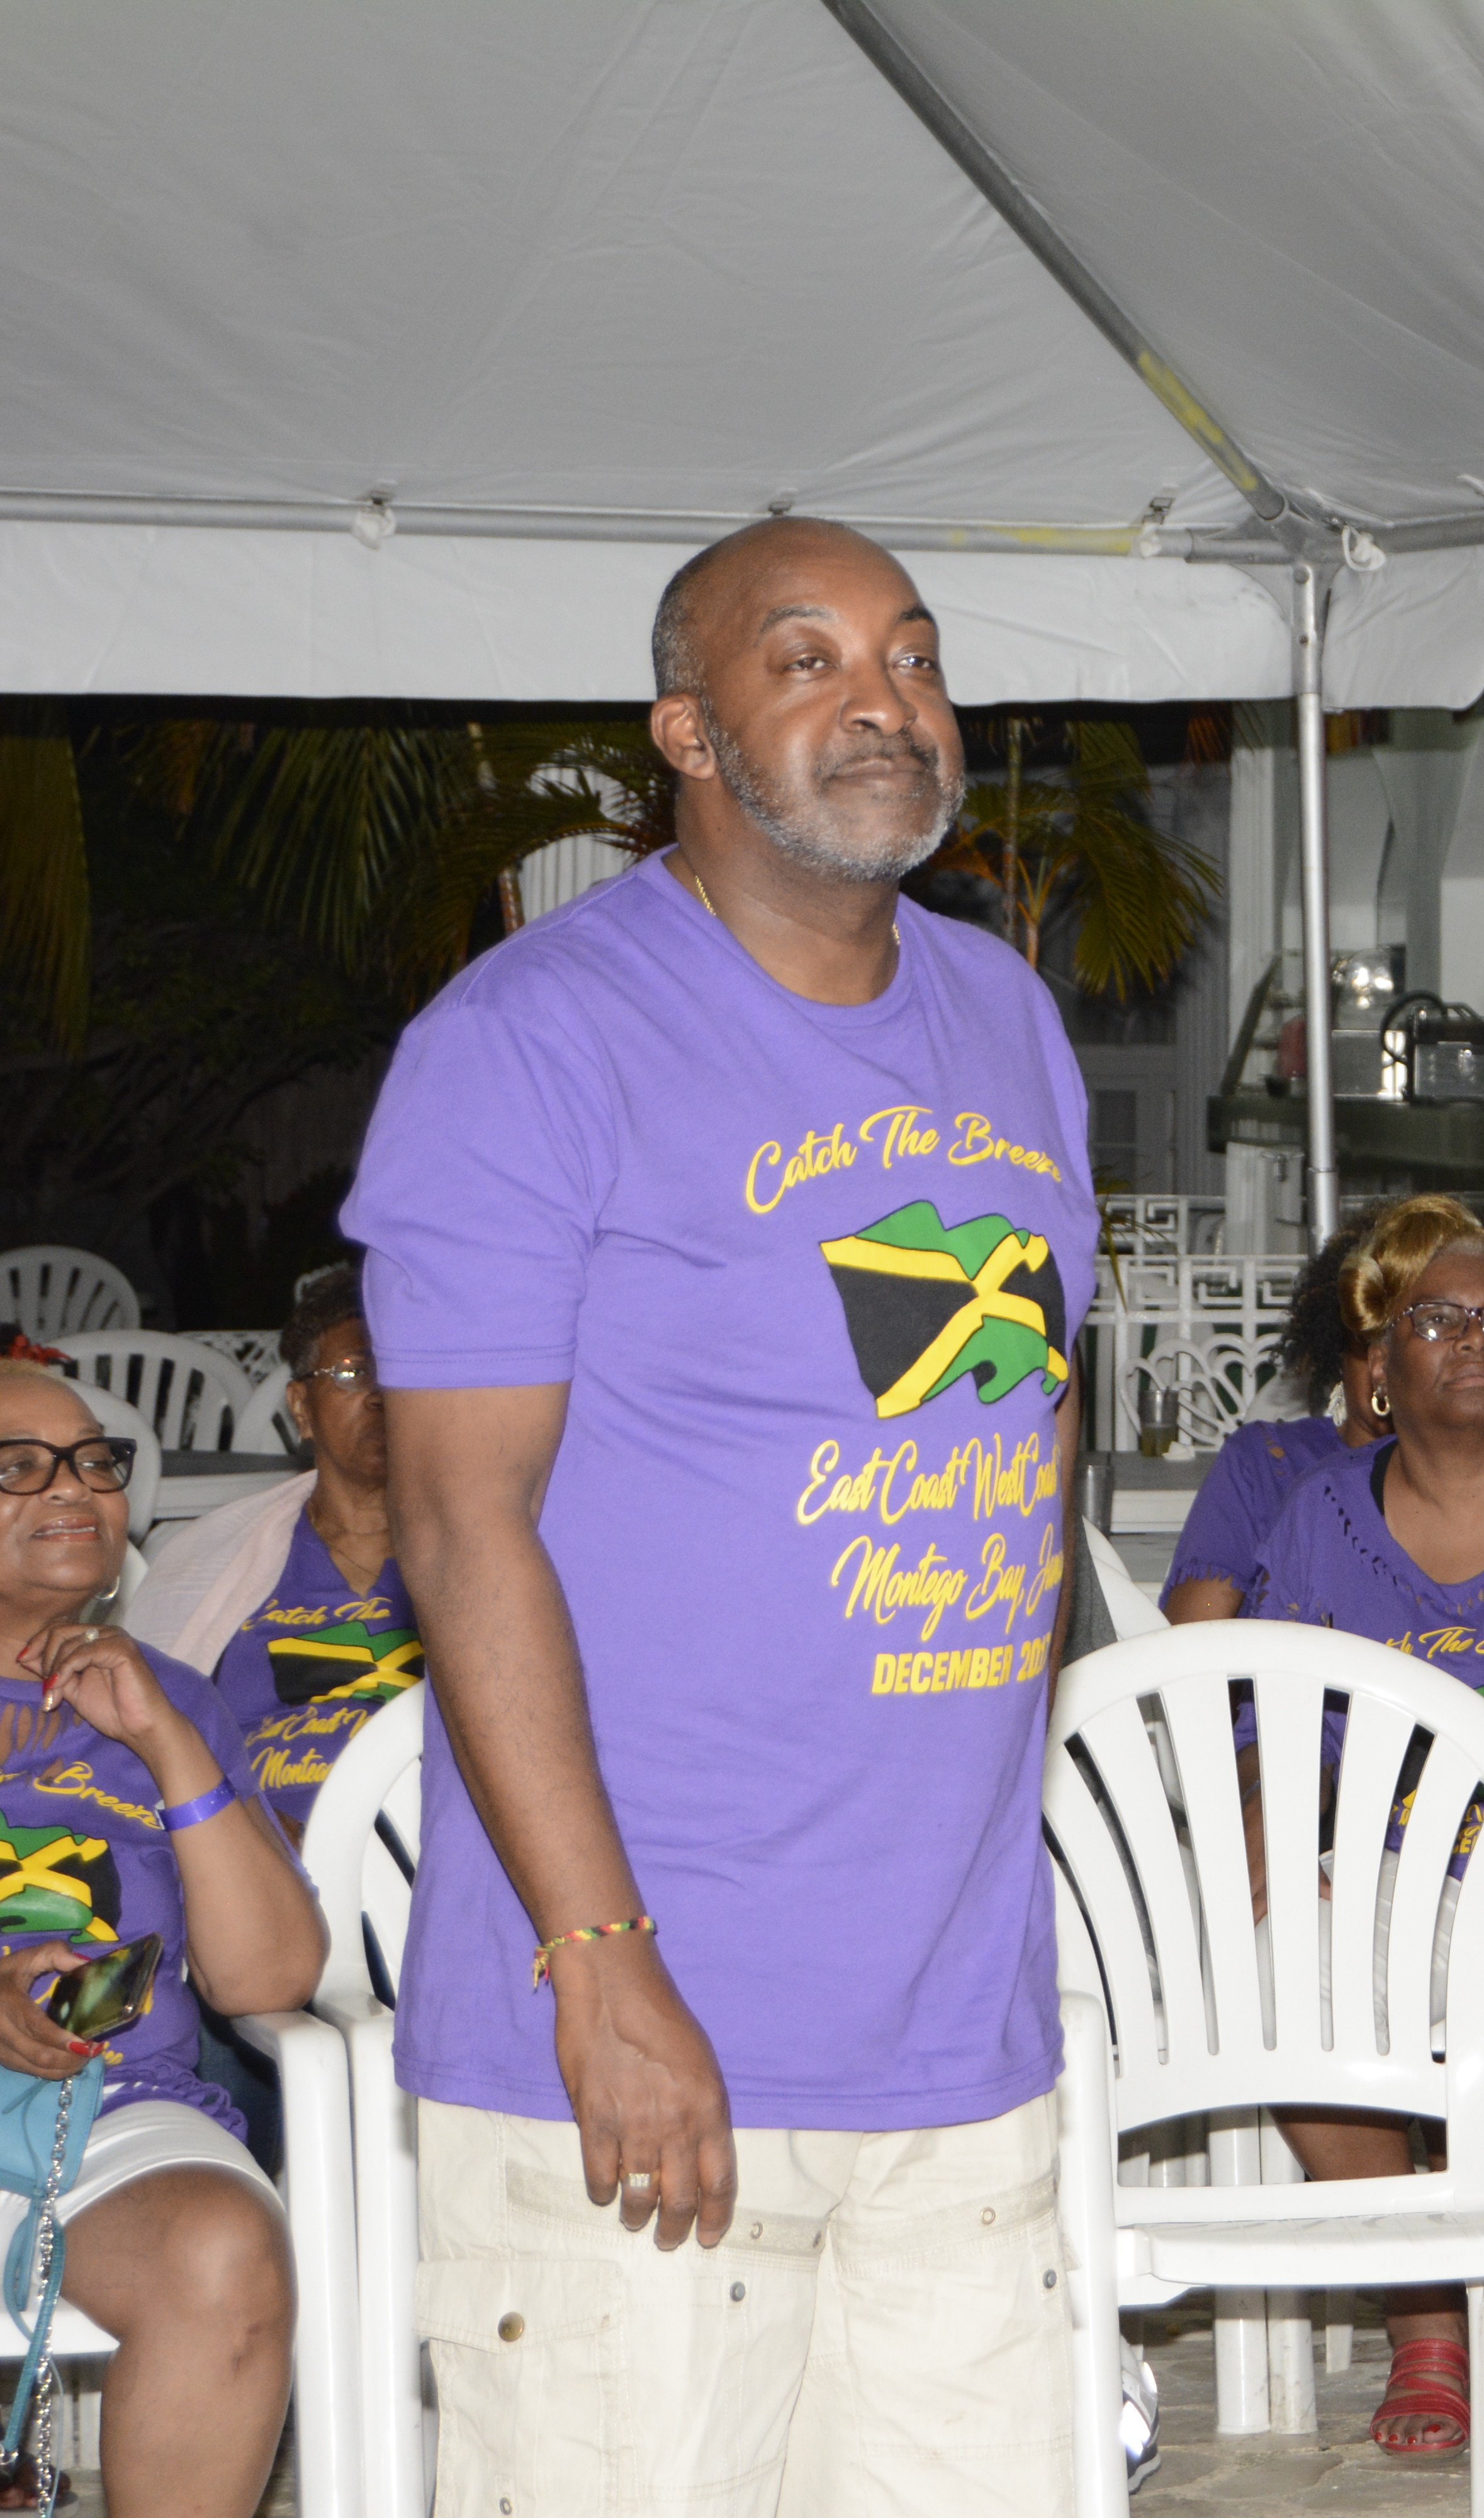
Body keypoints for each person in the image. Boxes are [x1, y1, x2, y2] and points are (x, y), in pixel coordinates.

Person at [347, 516, 1098, 2516]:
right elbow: (462, 1526)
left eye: (913, 655)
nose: (886, 700)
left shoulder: (1007, 1021)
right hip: (642, 2024)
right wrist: (601, 1964)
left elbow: (1029, 1435)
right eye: (807, 659)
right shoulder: (528, 1041)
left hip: (956, 2043)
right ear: (687, 731)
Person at [1233, 1194, 1484, 2456]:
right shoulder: (1320, 1520)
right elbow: (1269, 1713)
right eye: (1439, 1319)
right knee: (1269, 1971)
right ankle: (1429, 2306)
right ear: (1381, 1363)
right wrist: (1267, 1836)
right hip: (1407, 1869)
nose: (1475, 1337)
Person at [0, 1362, 322, 2518]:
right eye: (19, 1466)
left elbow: (271, 1976)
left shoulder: (170, 1694)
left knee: (224, 2249)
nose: (74, 1487)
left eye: (94, 1460)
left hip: (112, 2112)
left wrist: (167, 1739)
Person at [132, 1267, 420, 1842]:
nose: (382, 1396)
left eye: (406, 1373)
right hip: (258, 1850)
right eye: (353, 1372)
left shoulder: (491, 1556)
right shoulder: (214, 1556)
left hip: (435, 1844)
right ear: (301, 1408)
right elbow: (144, 1740)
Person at [1161, 1210, 1384, 1623]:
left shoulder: (1482, 1481)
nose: (1387, 1363)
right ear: (1337, 1346)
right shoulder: (1264, 1464)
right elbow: (1193, 1638)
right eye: (1371, 1338)